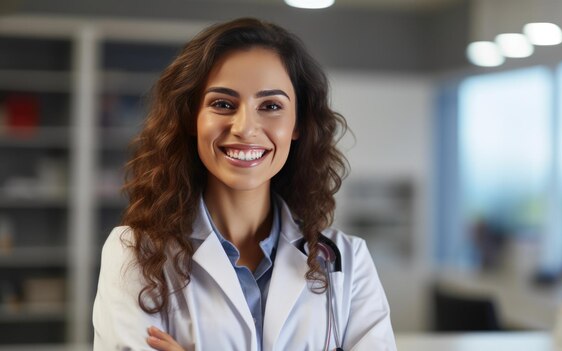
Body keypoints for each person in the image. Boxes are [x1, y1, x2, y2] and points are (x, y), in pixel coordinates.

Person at [92, 17, 396, 351]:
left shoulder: (348, 262)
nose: (245, 127)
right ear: (192, 118)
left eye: (271, 106)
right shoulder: (135, 253)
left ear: (297, 124)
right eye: (223, 104)